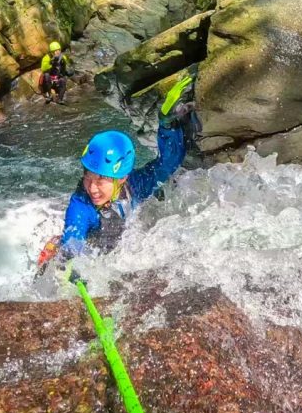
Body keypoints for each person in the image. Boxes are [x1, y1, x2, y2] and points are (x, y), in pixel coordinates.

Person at [37, 74, 196, 268]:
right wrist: (71, 260)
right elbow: (75, 233)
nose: (92, 188)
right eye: (88, 177)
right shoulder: (82, 204)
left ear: (122, 178)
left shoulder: (136, 185)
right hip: (97, 255)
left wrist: (167, 124)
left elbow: (167, 164)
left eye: (101, 180)